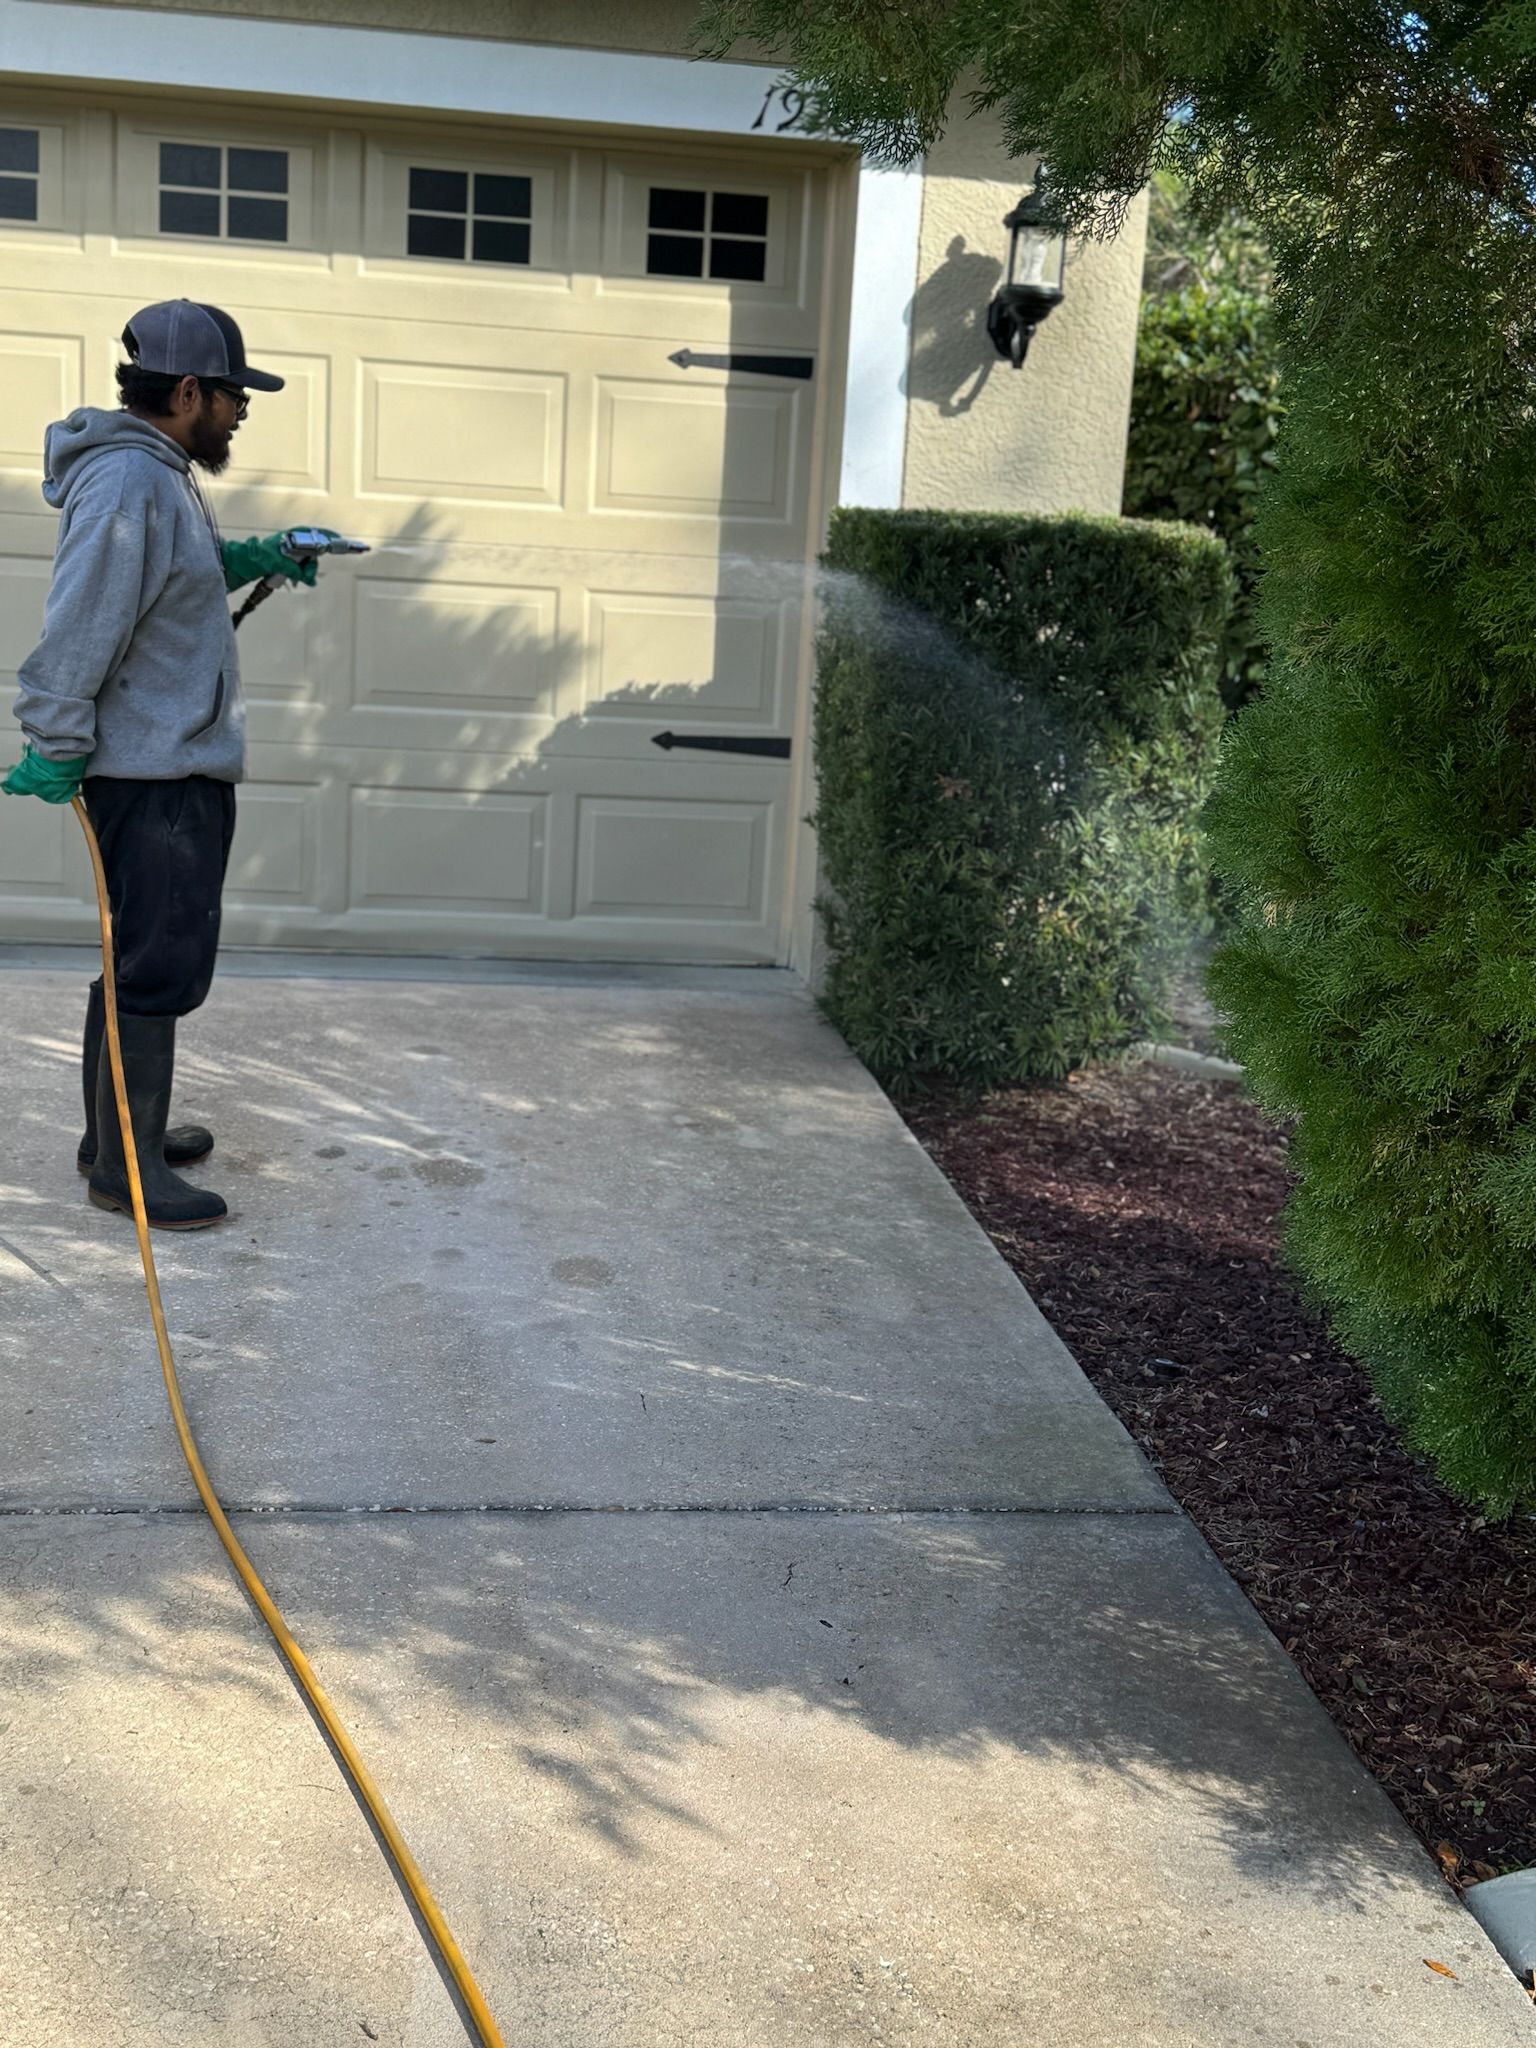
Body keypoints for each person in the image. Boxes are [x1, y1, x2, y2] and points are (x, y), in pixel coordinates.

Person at [1, 300, 324, 1230]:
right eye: (233, 396)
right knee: (156, 968)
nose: (241, 412)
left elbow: (164, 578)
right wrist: (55, 742)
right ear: (187, 391)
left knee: (135, 959)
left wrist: (255, 554)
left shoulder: (159, 478)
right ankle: (126, 1175)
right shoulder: (131, 485)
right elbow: (81, 622)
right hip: (156, 781)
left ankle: (115, 1140)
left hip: (162, 769)